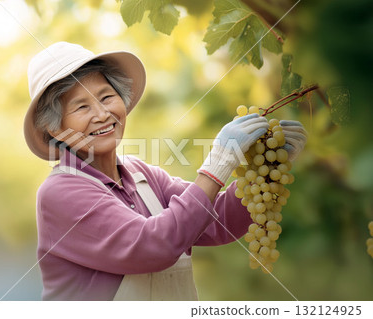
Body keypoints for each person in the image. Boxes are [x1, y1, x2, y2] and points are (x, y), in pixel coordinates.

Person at [23, 42, 307, 301]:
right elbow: (151, 246)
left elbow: (215, 220)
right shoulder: (60, 192)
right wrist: (217, 164)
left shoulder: (142, 174)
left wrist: (268, 169)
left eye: (107, 97)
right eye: (82, 106)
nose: (101, 114)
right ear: (55, 129)